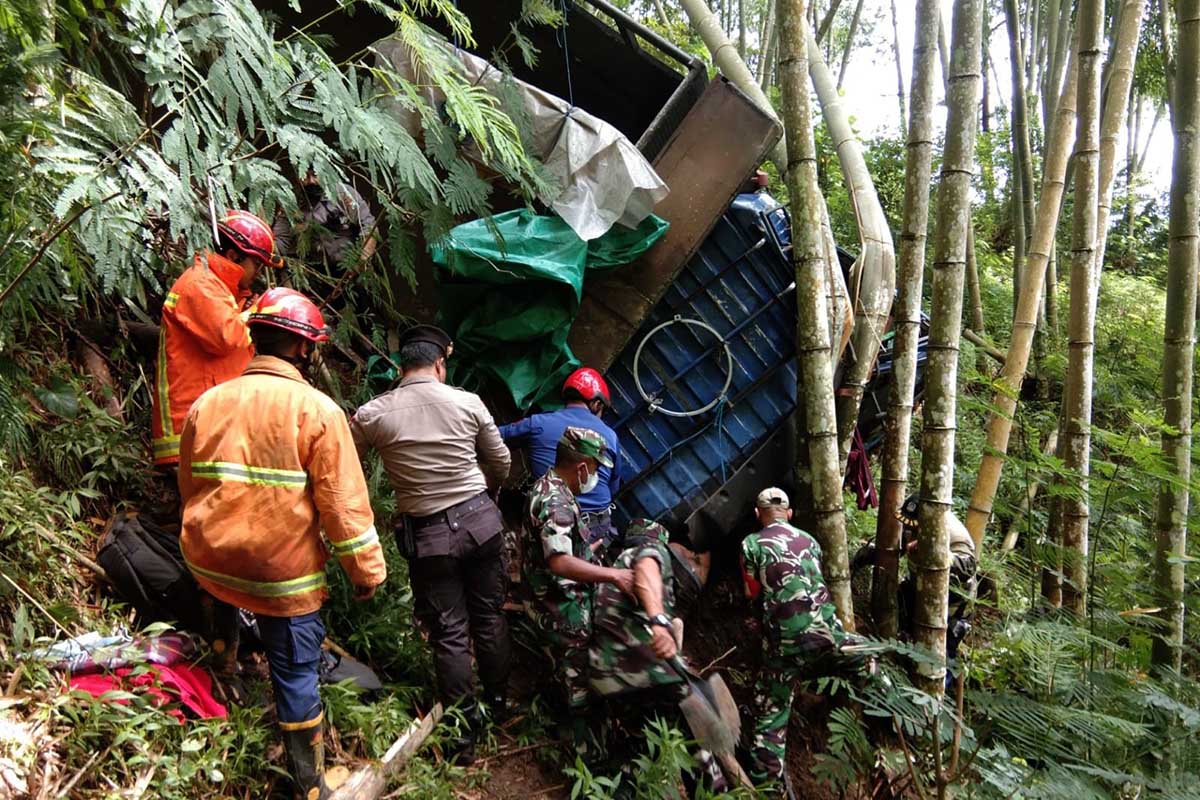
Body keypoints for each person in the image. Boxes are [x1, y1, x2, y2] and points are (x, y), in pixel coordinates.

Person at [178, 287, 387, 800]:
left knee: (221, 600)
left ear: (255, 338)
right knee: (296, 674)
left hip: (211, 560)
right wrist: (367, 573)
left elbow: (190, 486)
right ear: (304, 349)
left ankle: (223, 673)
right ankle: (310, 784)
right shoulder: (318, 412)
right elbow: (344, 508)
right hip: (280, 577)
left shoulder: (208, 402)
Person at [349, 324, 512, 765]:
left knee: (450, 631)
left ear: (402, 366)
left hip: (429, 536)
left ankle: (462, 737)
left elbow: (344, 464)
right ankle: (499, 707)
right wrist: (487, 495)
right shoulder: (468, 403)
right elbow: (500, 461)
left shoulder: (373, 414)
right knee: (489, 617)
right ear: (441, 363)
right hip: (481, 522)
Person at [588, 518, 727, 794]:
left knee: (638, 740)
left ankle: (624, 790)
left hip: (605, 675)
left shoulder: (613, 568)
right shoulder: (650, 552)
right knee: (692, 734)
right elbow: (647, 567)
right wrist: (658, 620)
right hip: (641, 672)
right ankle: (715, 792)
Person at [523, 426, 634, 758]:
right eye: (596, 469)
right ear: (583, 467)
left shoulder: (550, 487)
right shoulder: (556, 500)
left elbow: (564, 546)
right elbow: (559, 562)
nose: (596, 477)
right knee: (579, 688)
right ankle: (582, 755)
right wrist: (613, 575)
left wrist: (589, 549)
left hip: (554, 599)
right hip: (560, 610)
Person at [741, 487, 859, 790]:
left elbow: (751, 593)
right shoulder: (810, 541)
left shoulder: (751, 543)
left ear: (757, 515)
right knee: (869, 659)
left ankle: (766, 786)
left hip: (785, 647)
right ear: (790, 514)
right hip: (830, 638)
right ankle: (892, 716)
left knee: (771, 714)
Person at [152, 210, 283, 467]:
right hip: (194, 427)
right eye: (256, 265)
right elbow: (227, 336)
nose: (258, 272)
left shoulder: (219, 288)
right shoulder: (200, 284)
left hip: (210, 425)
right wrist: (259, 313)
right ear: (233, 256)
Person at [500, 367, 622, 559]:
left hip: (551, 516)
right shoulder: (611, 437)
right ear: (597, 404)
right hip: (596, 527)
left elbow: (494, 435)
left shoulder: (539, 423)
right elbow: (613, 486)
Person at [895, 493, 978, 671]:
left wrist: (942, 555)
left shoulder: (953, 532)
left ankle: (940, 686)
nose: (910, 529)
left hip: (953, 600)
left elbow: (968, 566)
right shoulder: (911, 523)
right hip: (918, 587)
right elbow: (901, 544)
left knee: (943, 653)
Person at [273, 170, 377, 272]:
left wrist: (363, 260)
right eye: (305, 176)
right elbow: (281, 240)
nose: (311, 181)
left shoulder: (343, 194)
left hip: (352, 267)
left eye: (315, 175)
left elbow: (369, 226)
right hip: (318, 272)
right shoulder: (291, 203)